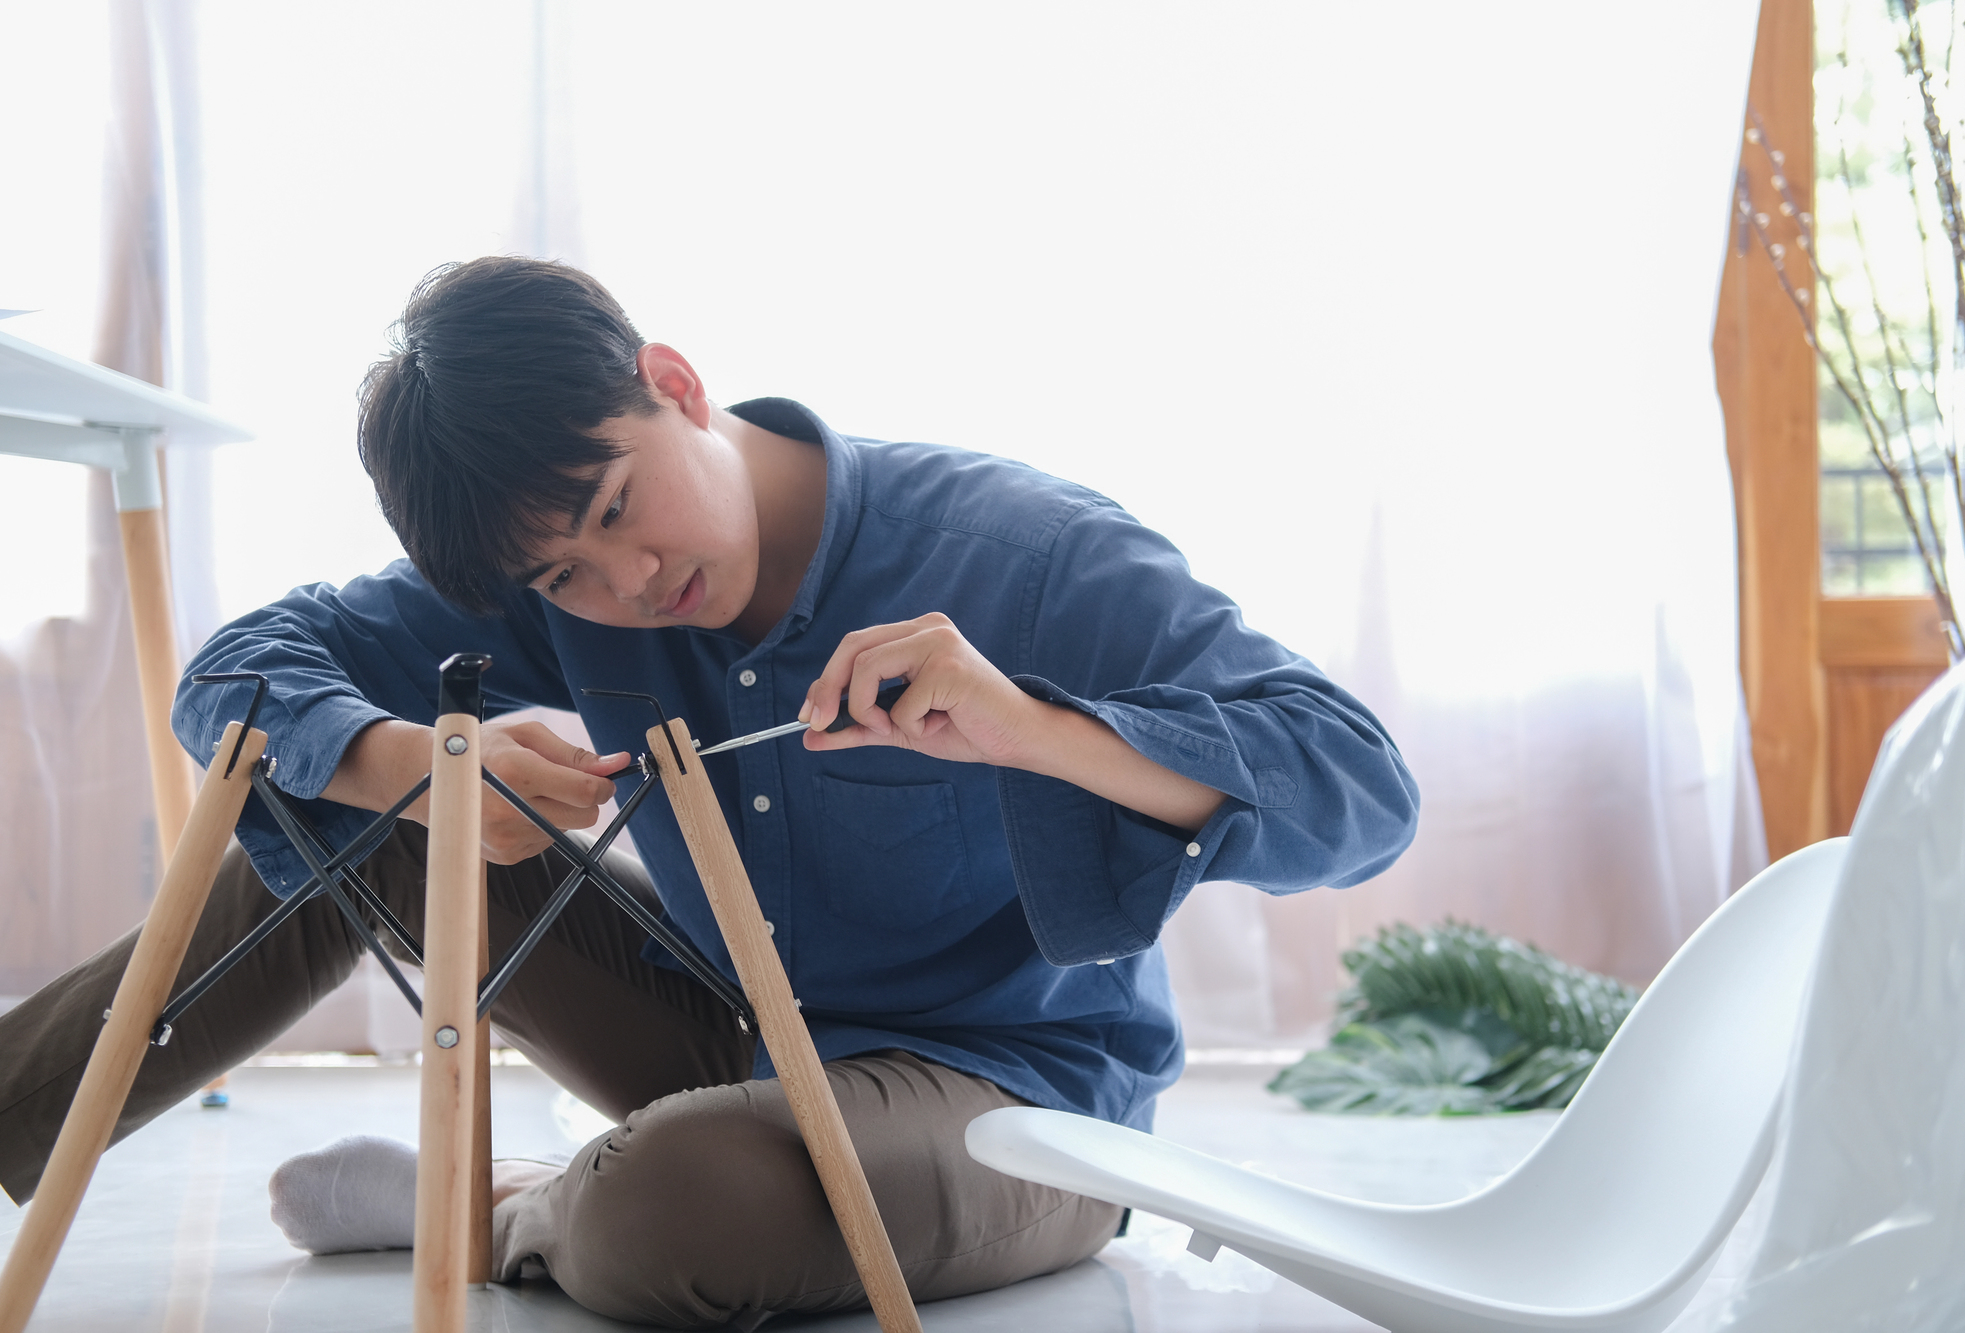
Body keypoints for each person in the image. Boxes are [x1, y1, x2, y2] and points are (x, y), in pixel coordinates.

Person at [0, 257, 1418, 1328]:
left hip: (1016, 1110)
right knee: (369, 796)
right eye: (562, 577)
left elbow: (1362, 786)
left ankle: (511, 1207)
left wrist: (1035, 726)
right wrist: (420, 770)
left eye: (617, 508)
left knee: (666, 1213)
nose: (623, 585)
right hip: (740, 1044)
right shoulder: (566, 589)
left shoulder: (1020, 552)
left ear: (673, 384)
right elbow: (243, 670)